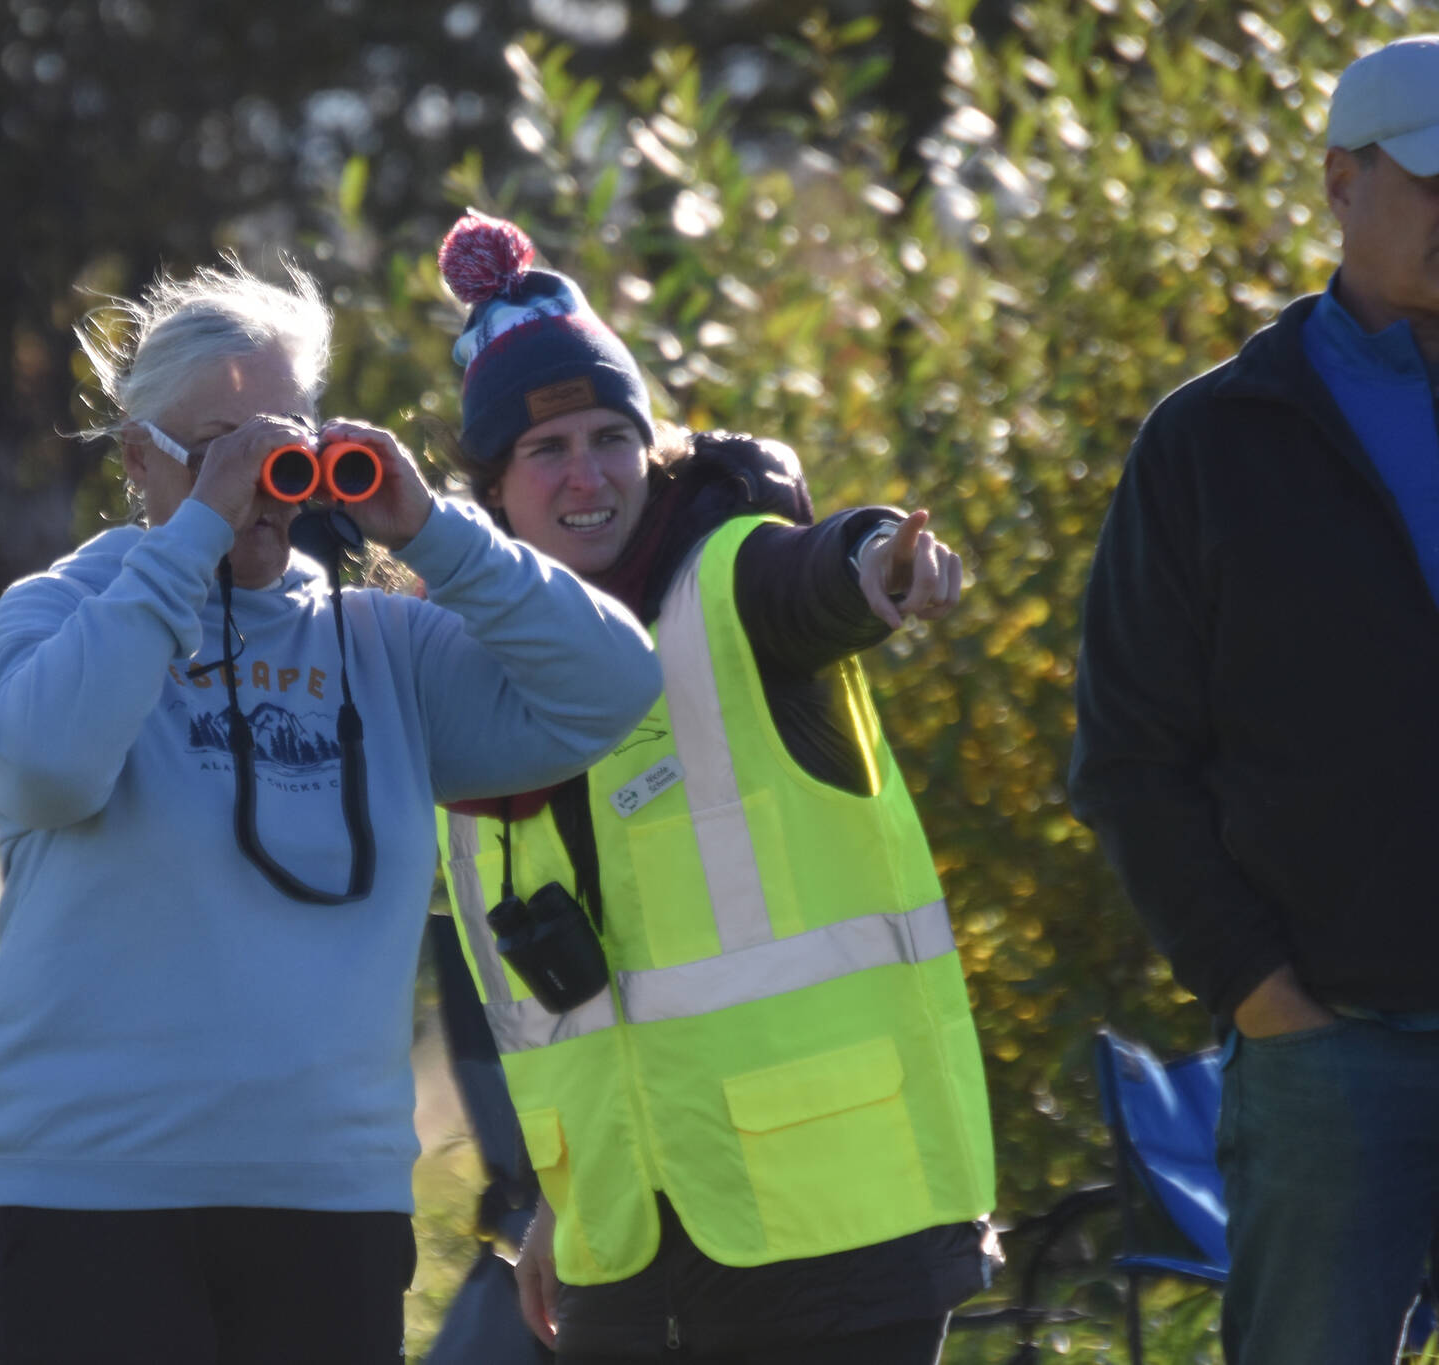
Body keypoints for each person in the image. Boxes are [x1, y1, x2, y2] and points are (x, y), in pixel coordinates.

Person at [0, 259, 661, 1365]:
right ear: (137, 457)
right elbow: (46, 771)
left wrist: (431, 530)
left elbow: (609, 690)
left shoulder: (380, 646)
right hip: (81, 1196)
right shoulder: (61, 611)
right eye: (216, 449)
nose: (256, 484)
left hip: (325, 1205)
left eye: (277, 446)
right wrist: (190, 543)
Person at [428, 211, 997, 1365]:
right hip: (624, 1244)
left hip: (835, 1222)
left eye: (609, 438)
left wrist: (886, 563)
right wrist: (548, 1200)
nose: (586, 474)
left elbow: (821, 573)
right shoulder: (463, 673)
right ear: (491, 488)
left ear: (654, 450)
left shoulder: (732, 578)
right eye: (546, 452)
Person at [1070, 35, 1439, 1365]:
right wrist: (1261, 990)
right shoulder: (1210, 444)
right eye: (1434, 182)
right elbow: (1127, 755)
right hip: (1331, 1051)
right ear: (1343, 182)